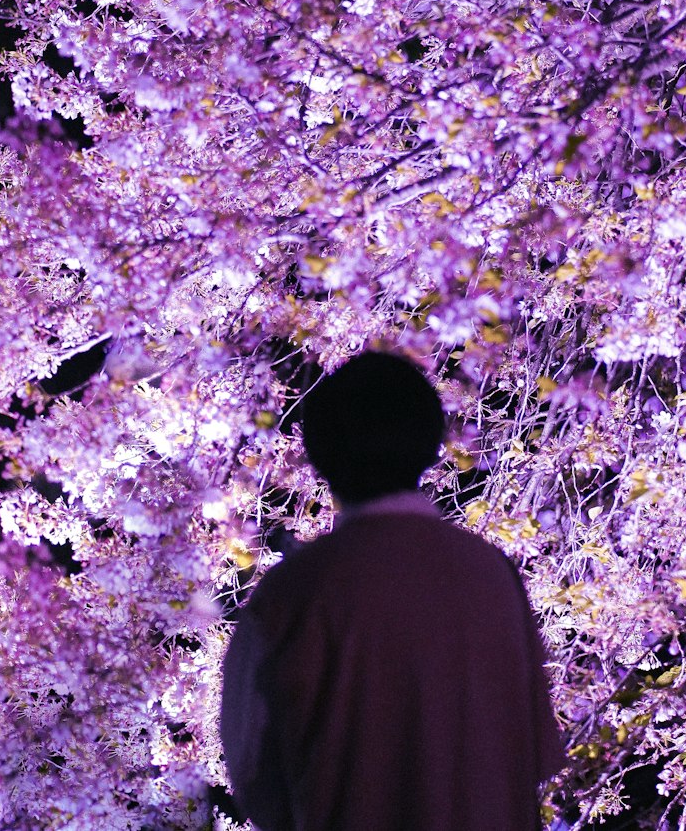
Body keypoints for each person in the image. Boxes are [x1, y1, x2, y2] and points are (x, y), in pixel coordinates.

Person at [220, 349, 566, 831]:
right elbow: (532, 758)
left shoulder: (292, 595)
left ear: (318, 455)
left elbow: (254, 773)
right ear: (430, 446)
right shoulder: (493, 577)